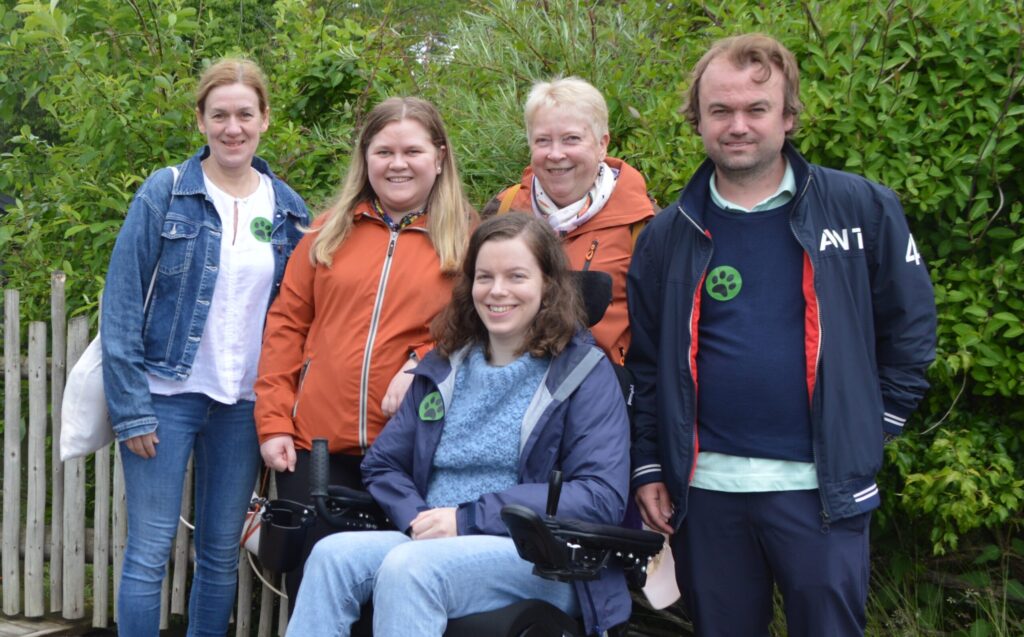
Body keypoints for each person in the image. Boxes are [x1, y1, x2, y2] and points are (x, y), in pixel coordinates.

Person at [626, 34, 937, 636]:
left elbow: (911, 329)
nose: (737, 125)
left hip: (821, 492)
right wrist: (648, 466)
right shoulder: (667, 234)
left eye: (756, 109)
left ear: (788, 117)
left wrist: (875, 423)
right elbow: (644, 363)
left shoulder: (861, 208)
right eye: (720, 110)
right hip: (705, 494)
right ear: (698, 120)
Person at [285, 214, 632, 636]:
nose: (497, 291)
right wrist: (418, 519)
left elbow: (599, 497)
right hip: (436, 540)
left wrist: (467, 520)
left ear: (548, 286)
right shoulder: (446, 365)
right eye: (484, 277)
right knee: (331, 556)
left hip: (543, 558)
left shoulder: (585, 373)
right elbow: (384, 465)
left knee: (409, 567)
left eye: (516, 276)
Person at [101, 58, 309, 636]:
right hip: (164, 397)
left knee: (220, 554)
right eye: (219, 115)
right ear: (201, 120)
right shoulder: (166, 192)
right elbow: (119, 304)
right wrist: (131, 407)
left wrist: (279, 409)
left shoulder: (289, 210)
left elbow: (298, 318)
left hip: (243, 404)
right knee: (149, 549)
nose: (232, 127)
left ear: (265, 119)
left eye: (245, 114)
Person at [254, 96, 476, 605]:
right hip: (316, 450)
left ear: (439, 157)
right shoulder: (326, 230)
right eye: (384, 151)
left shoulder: (468, 240)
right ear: (366, 156)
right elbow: (286, 327)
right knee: (313, 591)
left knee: (392, 594)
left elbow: (478, 330)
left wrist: (424, 360)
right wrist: (273, 423)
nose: (398, 164)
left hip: (409, 454)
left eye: (413, 151)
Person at [483, 77, 655, 364]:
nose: (555, 154)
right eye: (542, 141)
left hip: (597, 396)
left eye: (571, 139)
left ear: (602, 145)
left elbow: (657, 334)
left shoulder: (641, 224)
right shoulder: (504, 209)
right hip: (510, 390)